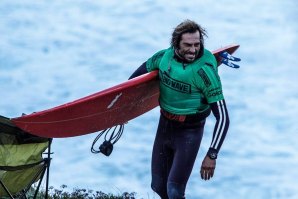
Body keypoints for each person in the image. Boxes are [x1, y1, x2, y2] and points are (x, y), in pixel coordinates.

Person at [129, 19, 230, 199]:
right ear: (175, 43)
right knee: (158, 186)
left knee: (175, 191)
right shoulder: (163, 58)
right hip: (165, 125)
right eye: (187, 45)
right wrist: (119, 110)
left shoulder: (205, 71)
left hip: (189, 131)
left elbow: (223, 118)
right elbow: (134, 81)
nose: (193, 50)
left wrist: (212, 155)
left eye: (197, 45)